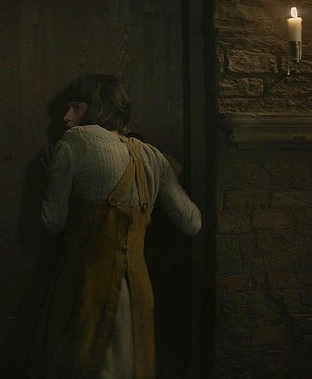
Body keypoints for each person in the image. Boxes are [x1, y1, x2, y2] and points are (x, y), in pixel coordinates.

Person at [30, 74, 202, 378]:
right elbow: (192, 223)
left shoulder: (75, 141)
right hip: (137, 294)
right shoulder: (152, 156)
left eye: (76, 108)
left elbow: (52, 222)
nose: (66, 117)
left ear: (99, 109)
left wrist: (52, 181)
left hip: (87, 289)